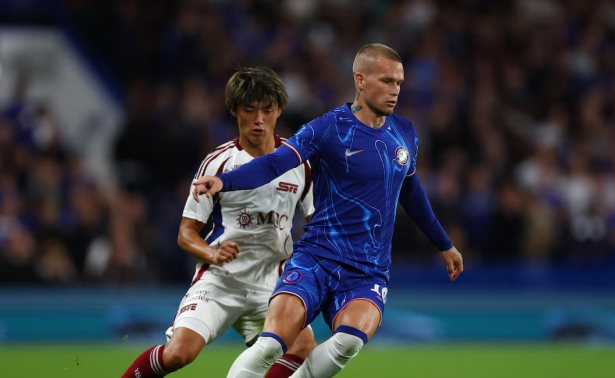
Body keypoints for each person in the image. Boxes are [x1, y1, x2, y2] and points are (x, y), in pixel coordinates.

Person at [193, 43, 464, 377]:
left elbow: (410, 191)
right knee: (271, 346)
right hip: (316, 258)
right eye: (386, 81)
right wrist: (226, 181)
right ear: (360, 80)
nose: (395, 90)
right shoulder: (328, 128)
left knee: (348, 343)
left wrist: (444, 244)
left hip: (367, 271)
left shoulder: (405, 133)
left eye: (399, 83)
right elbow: (275, 162)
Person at [121, 67, 317, 378]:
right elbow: (186, 233)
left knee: (304, 349)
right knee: (179, 354)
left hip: (271, 284)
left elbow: (315, 222)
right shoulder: (217, 163)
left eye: (267, 110)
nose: (259, 120)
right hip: (221, 281)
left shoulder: (299, 164)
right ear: (234, 111)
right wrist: (212, 254)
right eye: (249, 110)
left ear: (279, 110)